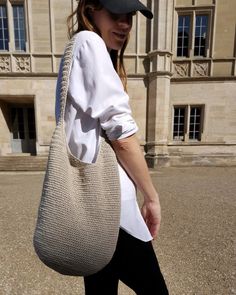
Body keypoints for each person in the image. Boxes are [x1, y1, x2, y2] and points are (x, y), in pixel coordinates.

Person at [55, 0, 169, 294]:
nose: (125, 24)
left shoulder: (77, 47)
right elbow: (122, 137)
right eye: (116, 14)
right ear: (91, 8)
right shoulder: (90, 43)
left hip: (94, 207)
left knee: (101, 290)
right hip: (113, 209)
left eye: (129, 15)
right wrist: (151, 197)